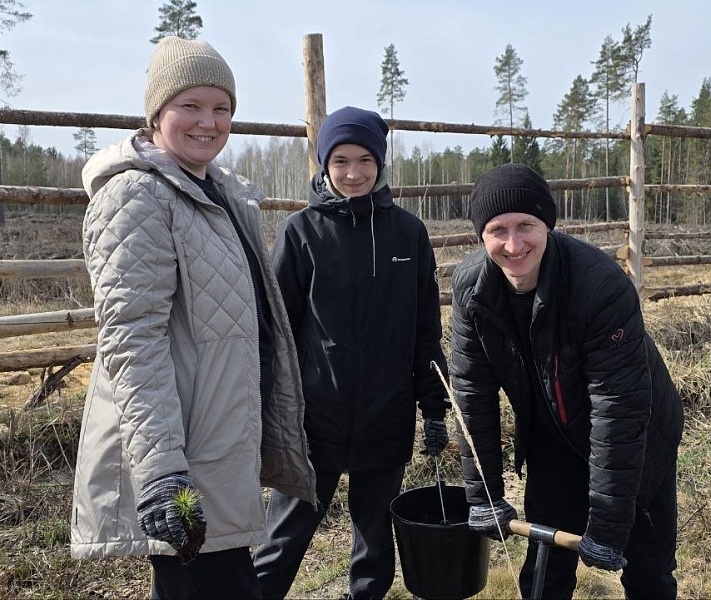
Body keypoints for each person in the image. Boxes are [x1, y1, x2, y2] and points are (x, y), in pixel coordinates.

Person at [70, 36, 316, 600]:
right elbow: (133, 342)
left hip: (219, 442)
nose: (209, 122)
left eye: (222, 108)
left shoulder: (218, 194)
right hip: (182, 457)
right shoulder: (137, 197)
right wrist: (161, 475)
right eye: (191, 106)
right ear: (156, 113)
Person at [449, 163, 684, 599]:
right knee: (545, 568)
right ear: (480, 235)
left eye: (526, 226)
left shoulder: (599, 288)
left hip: (640, 436)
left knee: (647, 569)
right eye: (497, 229)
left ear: (549, 226)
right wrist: (484, 496)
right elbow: (470, 393)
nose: (513, 244)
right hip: (552, 439)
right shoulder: (472, 291)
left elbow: (620, 409)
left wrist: (609, 526)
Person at [252, 106, 450, 600]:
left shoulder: (408, 234)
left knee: (375, 539)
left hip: (388, 413)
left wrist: (435, 407)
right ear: (323, 165)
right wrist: (265, 410)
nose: (354, 172)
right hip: (315, 419)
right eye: (340, 160)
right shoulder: (302, 233)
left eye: (365, 159)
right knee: (284, 536)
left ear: (381, 162)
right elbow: (276, 331)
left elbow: (426, 330)